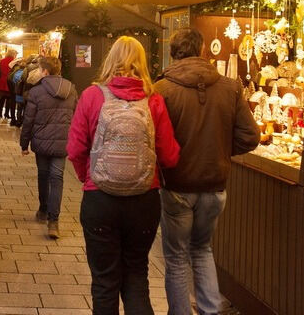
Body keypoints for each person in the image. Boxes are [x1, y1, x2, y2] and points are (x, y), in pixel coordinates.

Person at [67, 36, 180, 315]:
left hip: (100, 200)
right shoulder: (153, 99)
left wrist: (88, 177)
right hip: (143, 201)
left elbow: (75, 148)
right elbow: (169, 156)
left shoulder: (92, 95)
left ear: (110, 59)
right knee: (136, 276)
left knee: (104, 280)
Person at [153, 28, 260, 315]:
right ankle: (210, 311)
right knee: (202, 250)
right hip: (215, 185)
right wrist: (221, 151)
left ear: (173, 53)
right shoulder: (229, 87)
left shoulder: (162, 89)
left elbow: (153, 139)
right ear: (201, 51)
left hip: (176, 184)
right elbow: (250, 137)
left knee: (175, 257)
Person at [19, 56, 77, 239]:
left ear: (45, 71)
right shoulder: (71, 89)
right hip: (62, 141)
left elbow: (28, 120)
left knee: (43, 176)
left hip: (41, 142)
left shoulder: (36, 92)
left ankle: (43, 210)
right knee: (57, 178)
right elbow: (76, 116)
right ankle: (54, 222)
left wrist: (24, 143)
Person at [0, 49, 16, 120]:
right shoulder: (13, 62)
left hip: (2, 81)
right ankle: (7, 114)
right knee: (9, 99)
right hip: (9, 81)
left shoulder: (2, 61)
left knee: (1, 98)